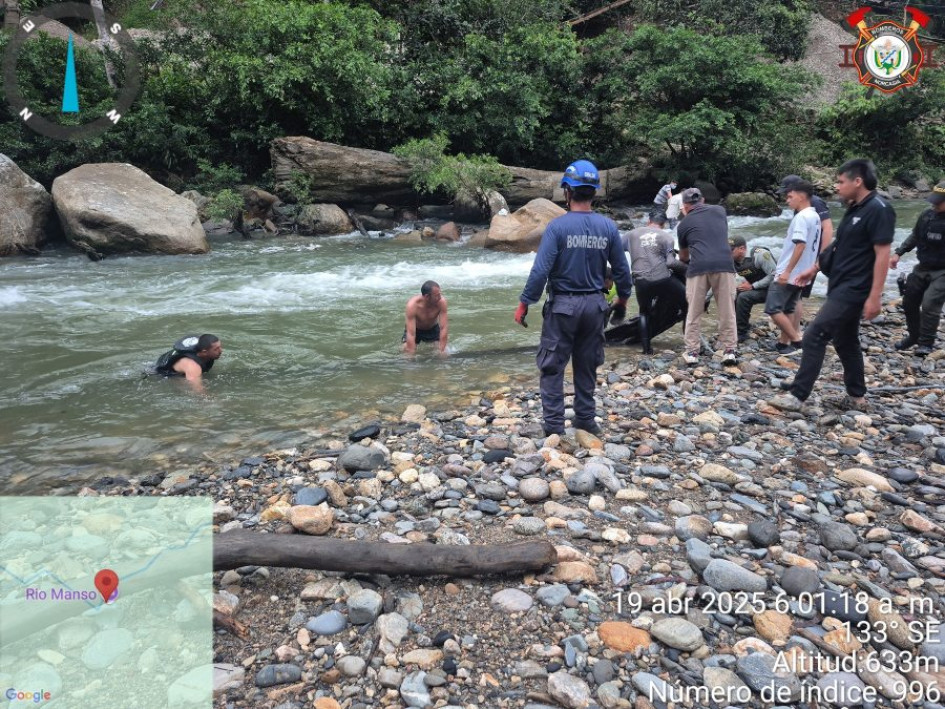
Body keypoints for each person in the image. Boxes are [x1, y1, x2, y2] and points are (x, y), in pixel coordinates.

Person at [515, 159, 632, 436]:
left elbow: (540, 271)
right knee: (587, 364)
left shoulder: (557, 228)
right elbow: (622, 271)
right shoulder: (608, 227)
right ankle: (585, 420)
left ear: (567, 191)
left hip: (563, 307)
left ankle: (554, 427)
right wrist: (623, 299)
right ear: (594, 192)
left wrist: (524, 304)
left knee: (553, 366)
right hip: (595, 306)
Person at [770, 158, 895, 413]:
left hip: (855, 287)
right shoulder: (855, 208)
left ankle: (798, 395)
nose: (836, 186)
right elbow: (840, 246)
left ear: (857, 181)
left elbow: (883, 254)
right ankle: (856, 397)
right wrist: (813, 268)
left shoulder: (879, 209)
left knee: (815, 334)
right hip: (840, 284)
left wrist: (875, 296)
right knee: (845, 340)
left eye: (840, 181)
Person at [677, 188, 738, 365]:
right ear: (702, 200)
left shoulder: (683, 224)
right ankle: (729, 350)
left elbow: (683, 257)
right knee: (727, 309)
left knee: (694, 312)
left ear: (685, 205)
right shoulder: (720, 211)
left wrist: (686, 216)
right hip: (724, 265)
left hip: (699, 268)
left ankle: (692, 352)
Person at [764, 180, 822, 354]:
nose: (787, 201)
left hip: (790, 272)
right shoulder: (815, 216)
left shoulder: (802, 217)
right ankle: (784, 343)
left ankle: (797, 341)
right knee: (788, 307)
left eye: (790, 196)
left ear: (802, 196)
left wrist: (786, 271)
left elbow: (800, 245)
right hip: (804, 272)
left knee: (773, 309)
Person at [890, 180, 945, 356]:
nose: (934, 204)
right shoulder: (926, 215)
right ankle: (914, 335)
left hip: (943, 271)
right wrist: (899, 252)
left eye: (939, 201)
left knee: (930, 303)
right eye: (934, 200)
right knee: (909, 300)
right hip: (923, 266)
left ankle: (926, 343)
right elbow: (915, 236)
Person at [777, 174, 834, 336]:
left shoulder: (815, 202)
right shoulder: (801, 207)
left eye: (787, 193)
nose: (785, 197)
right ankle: (795, 332)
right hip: (805, 257)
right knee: (797, 295)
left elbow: (828, 228)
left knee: (796, 295)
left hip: (810, 259)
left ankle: (793, 334)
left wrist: (821, 258)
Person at [623, 211, 686, 354]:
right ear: (663, 224)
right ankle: (689, 343)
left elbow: (616, 250)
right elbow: (671, 263)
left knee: (644, 313)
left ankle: (646, 350)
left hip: (640, 281)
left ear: (648, 221)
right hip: (663, 279)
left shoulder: (631, 234)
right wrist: (688, 270)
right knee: (688, 303)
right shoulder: (667, 237)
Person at [730, 235, 777, 344]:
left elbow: (774, 275)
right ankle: (737, 325)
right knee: (733, 293)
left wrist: (753, 286)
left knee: (743, 297)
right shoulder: (731, 260)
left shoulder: (760, 255)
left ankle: (741, 333)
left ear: (742, 249)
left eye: (731, 250)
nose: (728, 253)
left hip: (774, 290)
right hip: (759, 288)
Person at [154, 334, 223, 394]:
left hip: (168, 362)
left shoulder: (202, 350)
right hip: (165, 375)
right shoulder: (192, 366)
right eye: (216, 349)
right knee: (186, 385)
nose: (221, 351)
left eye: (220, 347)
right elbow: (198, 392)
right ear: (204, 352)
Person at [403, 281, 449, 355]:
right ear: (427, 296)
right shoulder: (412, 305)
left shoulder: (441, 302)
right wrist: (410, 357)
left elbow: (443, 328)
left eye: (440, 294)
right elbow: (411, 334)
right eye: (437, 295)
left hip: (432, 329)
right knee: (406, 350)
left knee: (442, 351)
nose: (440, 297)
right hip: (416, 329)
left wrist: (442, 351)